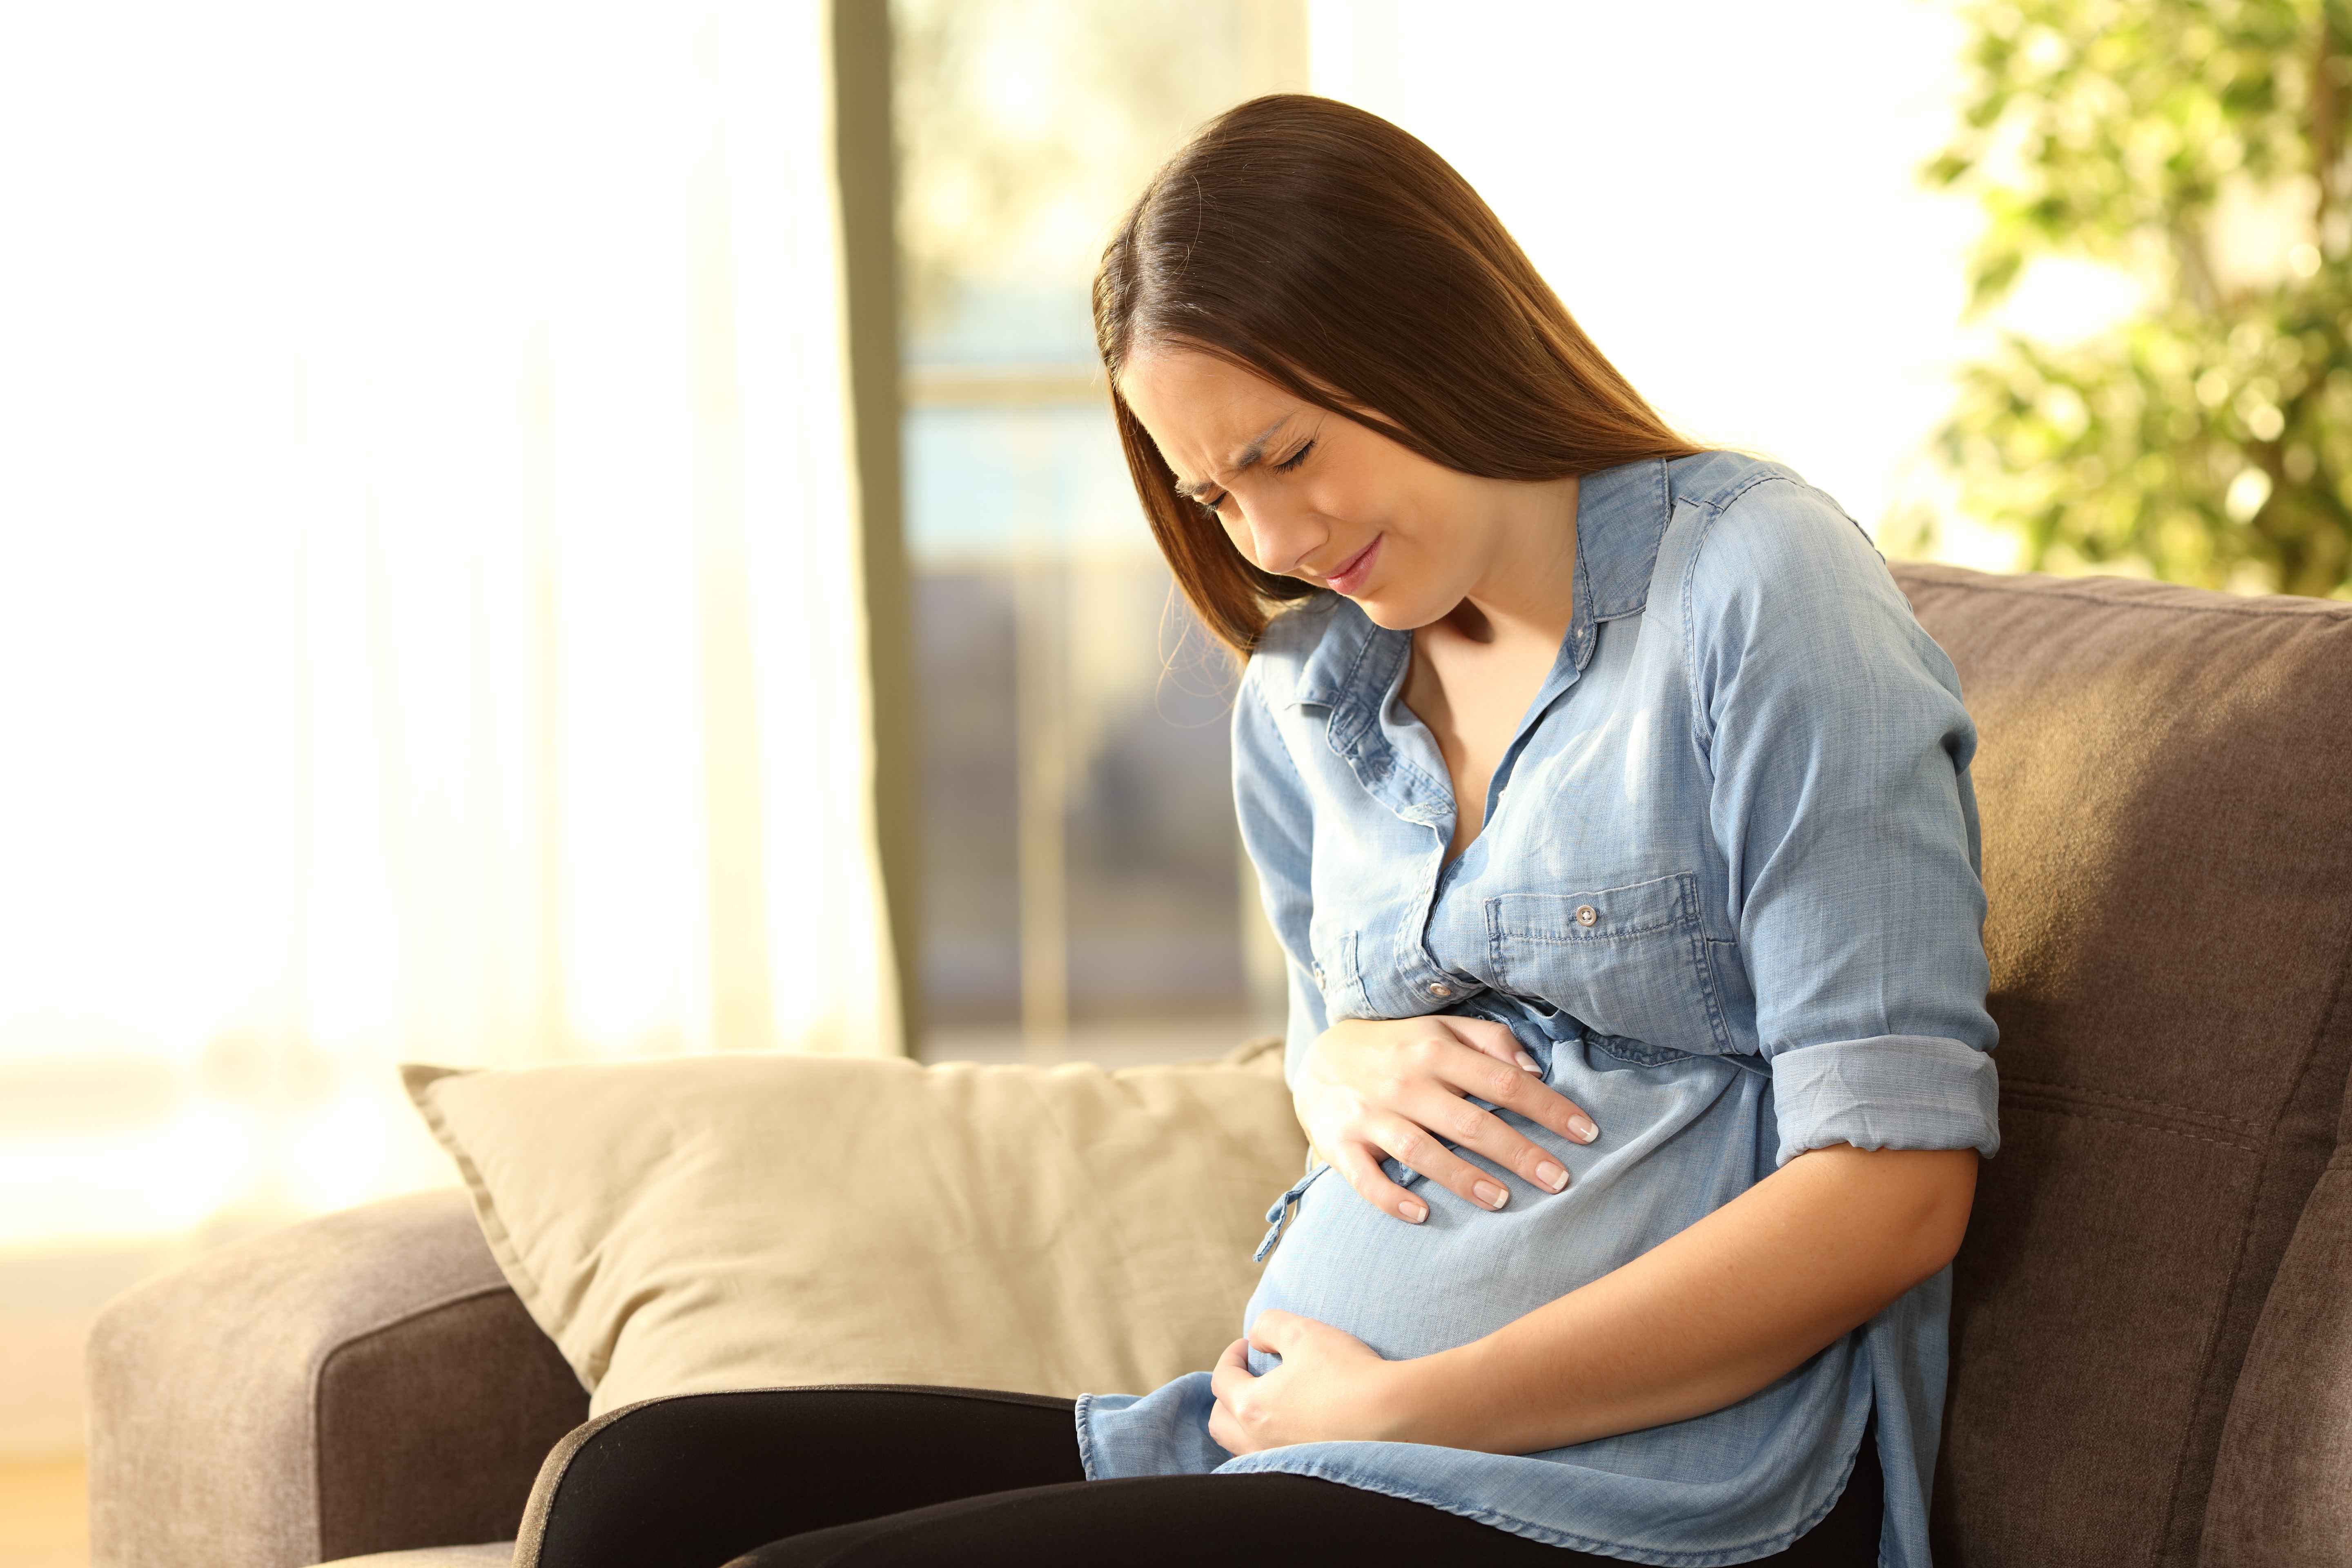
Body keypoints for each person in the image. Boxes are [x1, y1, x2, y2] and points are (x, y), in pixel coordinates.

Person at [535, 92, 1996, 1568]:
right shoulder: (1311, 692)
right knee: (642, 1490)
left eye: (1288, 453)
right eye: (1213, 493)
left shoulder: (1757, 590)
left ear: (1434, 331)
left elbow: (1895, 1191)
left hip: (1644, 1494)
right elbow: (1336, 1064)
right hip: (1302, 1442)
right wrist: (1329, 1061)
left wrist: (1413, 1406)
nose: (1273, 543)